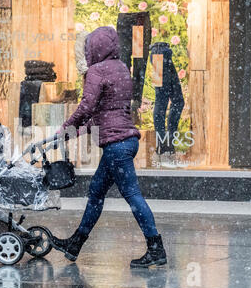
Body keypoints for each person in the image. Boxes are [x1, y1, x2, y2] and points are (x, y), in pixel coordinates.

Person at [51, 26, 167, 268]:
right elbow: (105, 111)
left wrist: (65, 129)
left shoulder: (96, 71)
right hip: (126, 141)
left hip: (116, 146)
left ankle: (156, 248)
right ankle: (75, 244)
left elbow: (86, 107)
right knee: (96, 193)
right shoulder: (122, 68)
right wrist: (75, 132)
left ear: (93, 47)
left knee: (132, 196)